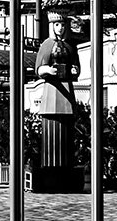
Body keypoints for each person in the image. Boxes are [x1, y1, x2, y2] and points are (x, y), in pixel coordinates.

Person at [30, 13, 81, 167]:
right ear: (52, 26)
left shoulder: (70, 45)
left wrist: (74, 70)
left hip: (66, 89)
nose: (60, 28)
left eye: (63, 25)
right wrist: (47, 70)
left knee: (66, 130)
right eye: (57, 25)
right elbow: (38, 68)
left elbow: (76, 64)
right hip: (52, 89)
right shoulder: (46, 44)